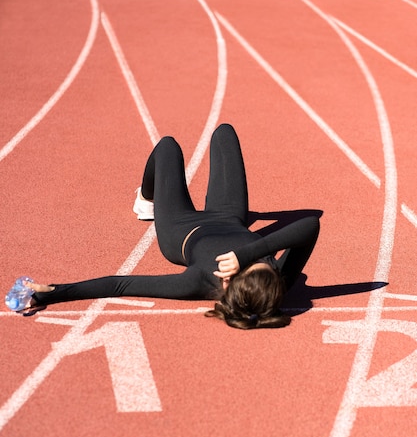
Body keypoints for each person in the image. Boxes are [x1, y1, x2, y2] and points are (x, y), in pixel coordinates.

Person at [22, 124, 319, 329]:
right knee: (224, 133)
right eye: (264, 263)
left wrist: (52, 293)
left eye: (251, 265)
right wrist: (247, 254)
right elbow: (309, 226)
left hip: (181, 228)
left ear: (228, 282)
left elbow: (120, 285)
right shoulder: (279, 281)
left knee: (167, 148)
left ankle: (145, 199)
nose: (262, 260)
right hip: (229, 218)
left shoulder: (198, 283)